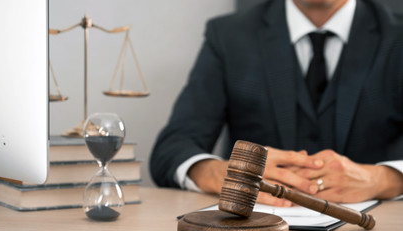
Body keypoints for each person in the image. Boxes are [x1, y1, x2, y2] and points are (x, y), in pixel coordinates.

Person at [150, 0, 403, 206]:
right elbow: (172, 148)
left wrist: (381, 180)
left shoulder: (397, 37)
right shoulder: (229, 36)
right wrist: (218, 173)